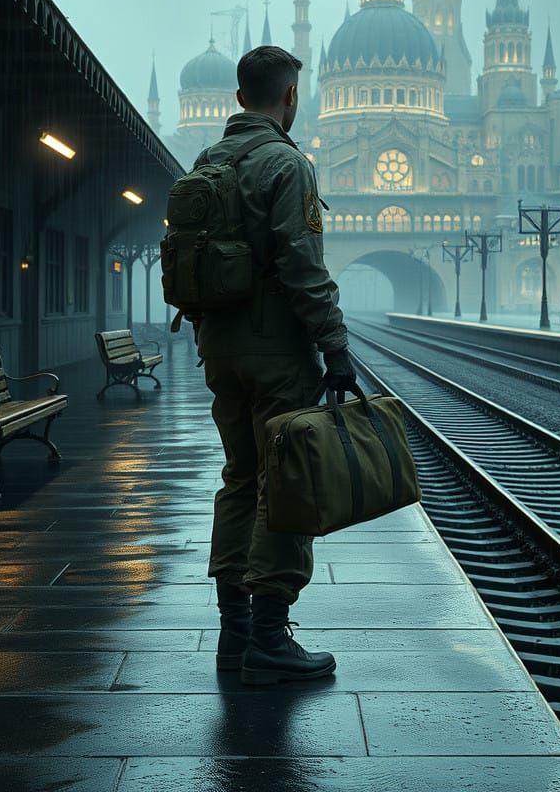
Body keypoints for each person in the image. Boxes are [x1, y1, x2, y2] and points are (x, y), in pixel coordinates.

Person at [194, 45, 356, 686]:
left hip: (218, 347)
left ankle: (233, 635)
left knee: (239, 476)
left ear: (239, 98)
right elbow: (302, 265)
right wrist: (334, 344)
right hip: (275, 353)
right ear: (290, 97)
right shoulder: (286, 164)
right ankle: (269, 634)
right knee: (286, 483)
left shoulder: (210, 161)